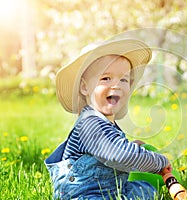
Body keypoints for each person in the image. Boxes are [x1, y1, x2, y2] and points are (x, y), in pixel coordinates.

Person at [44, 38, 172, 200]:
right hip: (85, 196)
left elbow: (112, 149)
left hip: (111, 191)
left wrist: (132, 146)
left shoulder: (105, 123)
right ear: (84, 87)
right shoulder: (89, 123)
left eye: (123, 79)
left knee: (145, 190)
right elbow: (119, 155)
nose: (116, 85)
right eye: (106, 78)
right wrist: (159, 162)